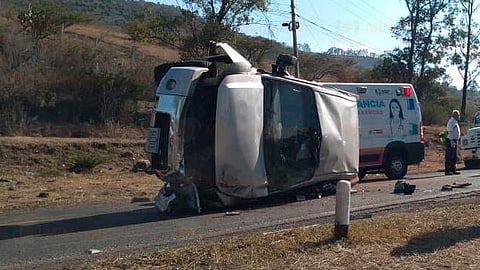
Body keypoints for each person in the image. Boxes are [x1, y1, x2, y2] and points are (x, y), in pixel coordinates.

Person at [445, 109, 461, 175]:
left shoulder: (455, 122)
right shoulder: (451, 122)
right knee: (449, 156)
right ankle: (447, 170)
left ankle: (453, 169)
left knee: (454, 156)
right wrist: (451, 140)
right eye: (458, 115)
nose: (459, 116)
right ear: (455, 115)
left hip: (454, 140)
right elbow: (450, 131)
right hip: (451, 140)